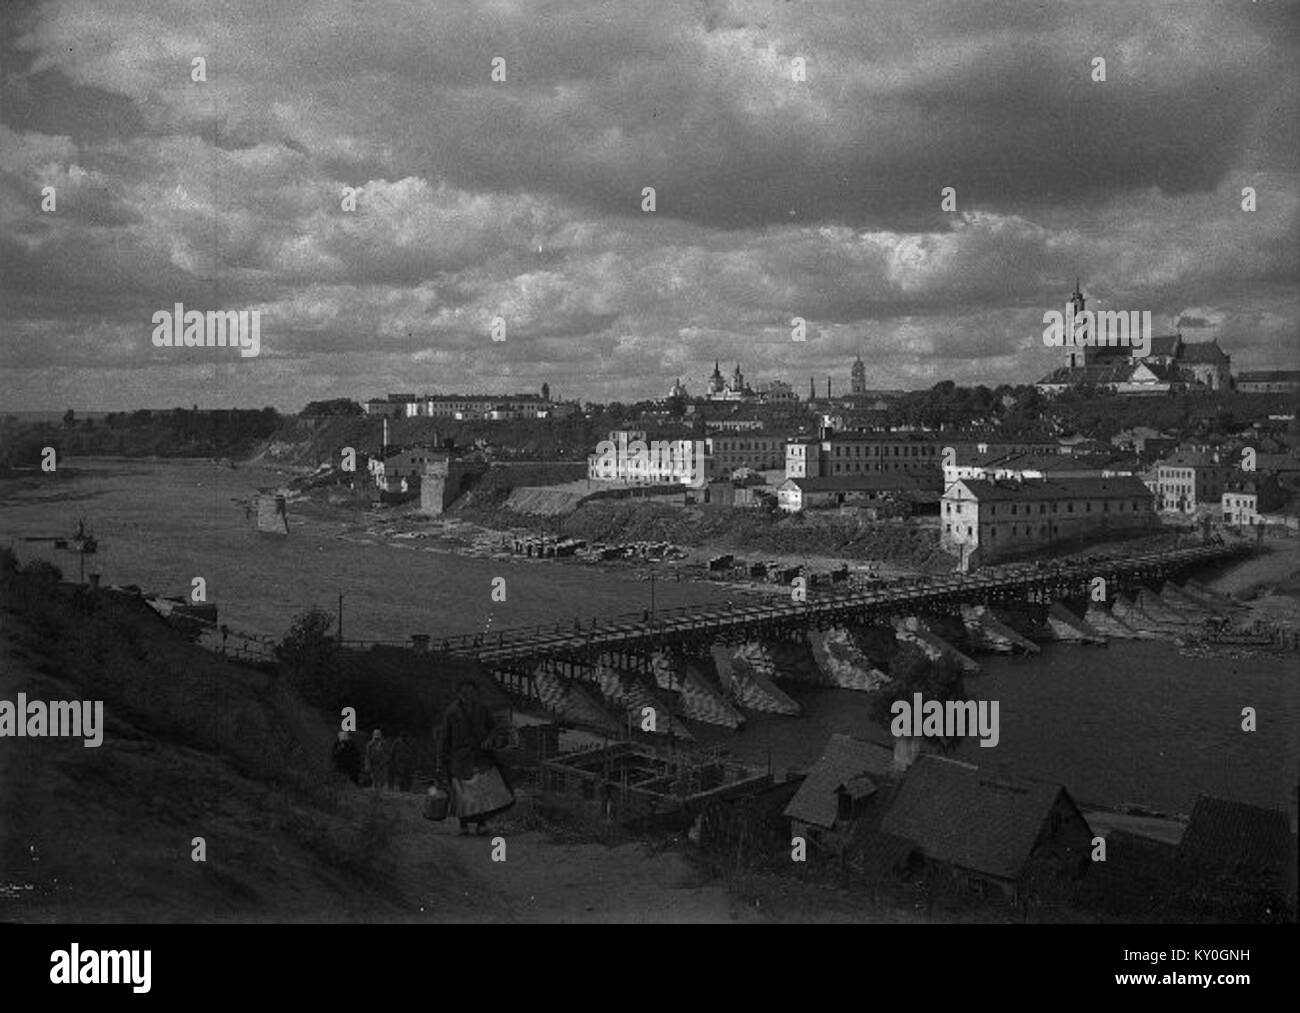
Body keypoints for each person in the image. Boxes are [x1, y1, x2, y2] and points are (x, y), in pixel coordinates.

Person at [438, 679, 514, 835]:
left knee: (481, 791)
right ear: (459, 694)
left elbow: (493, 728)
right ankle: (463, 825)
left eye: (471, 692)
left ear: (476, 693)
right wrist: (441, 761)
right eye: (464, 692)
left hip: (480, 755)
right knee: (462, 792)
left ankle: (482, 823)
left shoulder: (483, 710)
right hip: (460, 757)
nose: (468, 695)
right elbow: (445, 738)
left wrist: (489, 738)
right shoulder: (451, 713)